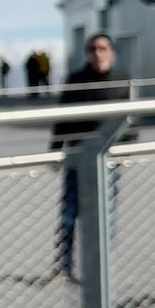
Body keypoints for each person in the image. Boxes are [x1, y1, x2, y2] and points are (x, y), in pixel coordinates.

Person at [49, 33, 133, 280]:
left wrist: (126, 149)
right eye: (93, 49)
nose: (98, 53)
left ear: (112, 52)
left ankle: (100, 266)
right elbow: (63, 118)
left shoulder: (122, 80)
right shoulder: (76, 80)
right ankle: (64, 265)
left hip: (108, 159)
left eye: (103, 48)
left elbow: (130, 119)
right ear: (87, 53)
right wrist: (55, 150)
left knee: (106, 214)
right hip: (78, 158)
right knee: (70, 213)